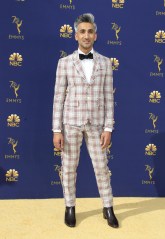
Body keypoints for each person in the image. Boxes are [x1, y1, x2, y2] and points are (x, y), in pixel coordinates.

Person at [52, 13, 119, 228]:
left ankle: (108, 207)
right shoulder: (64, 63)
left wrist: (108, 127)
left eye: (90, 31)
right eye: (82, 31)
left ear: (96, 35)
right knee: (69, 167)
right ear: (76, 35)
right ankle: (70, 206)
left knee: (101, 167)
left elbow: (109, 97)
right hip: (70, 122)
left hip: (97, 123)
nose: (86, 35)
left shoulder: (106, 63)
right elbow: (58, 98)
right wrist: (56, 130)